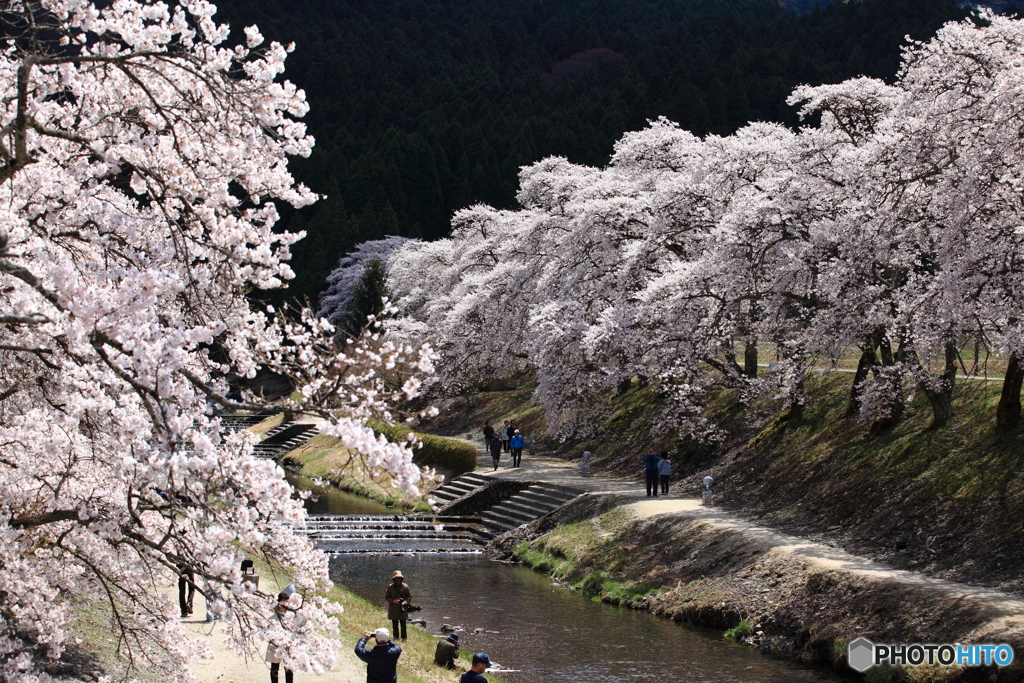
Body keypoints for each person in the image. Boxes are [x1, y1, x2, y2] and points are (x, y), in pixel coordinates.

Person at [266, 593, 295, 683]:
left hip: (288, 645)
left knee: (289, 668)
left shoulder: (291, 616)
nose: (285, 604)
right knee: (275, 668)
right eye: (283, 601)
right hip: (275, 645)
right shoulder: (273, 617)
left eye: (287, 601)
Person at [384, 570, 412, 640]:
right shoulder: (390, 587)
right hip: (394, 609)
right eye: (396, 579)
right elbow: (387, 597)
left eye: (399, 579)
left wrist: (405, 602)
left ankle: (404, 638)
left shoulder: (405, 586)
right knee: (395, 625)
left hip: (402, 609)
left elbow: (409, 596)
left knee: (403, 625)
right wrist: (393, 601)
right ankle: (396, 637)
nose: (398, 580)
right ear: (394, 580)